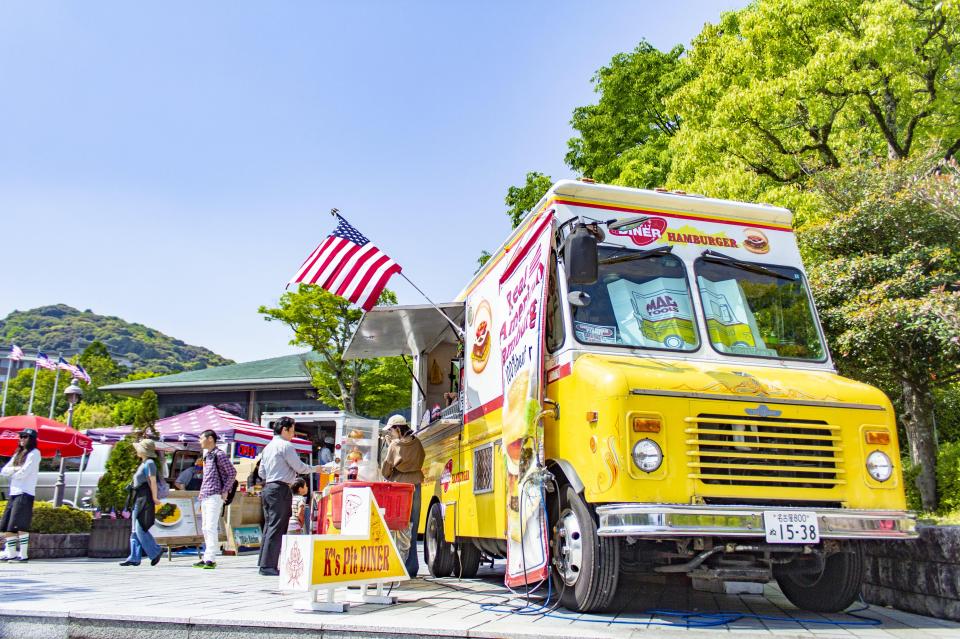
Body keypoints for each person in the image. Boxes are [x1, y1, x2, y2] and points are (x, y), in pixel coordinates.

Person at [257, 417, 323, 576]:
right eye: (292, 431)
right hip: (280, 488)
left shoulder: (268, 447)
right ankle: (268, 566)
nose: (293, 434)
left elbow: (261, 472)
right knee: (277, 526)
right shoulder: (286, 446)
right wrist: (316, 469)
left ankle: (264, 563)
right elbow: (299, 467)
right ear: (284, 430)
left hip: (268, 488)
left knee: (269, 525)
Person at [380, 415, 424, 577]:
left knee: (398, 527)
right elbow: (422, 458)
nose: (390, 433)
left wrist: (389, 446)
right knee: (413, 525)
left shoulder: (394, 445)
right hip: (416, 485)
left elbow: (385, 470)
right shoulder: (417, 442)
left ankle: (398, 565)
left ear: (397, 429)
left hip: (399, 488)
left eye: (391, 430)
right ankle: (412, 567)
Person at [193, 430, 236, 569]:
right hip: (206, 495)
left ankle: (210, 558)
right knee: (205, 527)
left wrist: (225, 490)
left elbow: (232, 472)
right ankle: (207, 556)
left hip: (215, 495)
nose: (200, 441)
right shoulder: (208, 455)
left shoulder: (219, 454)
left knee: (210, 526)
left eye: (201, 438)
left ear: (210, 439)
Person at [120, 439, 166, 567]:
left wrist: (154, 497)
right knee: (135, 529)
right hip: (138, 497)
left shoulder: (150, 463)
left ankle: (155, 550)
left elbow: (153, 482)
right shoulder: (144, 463)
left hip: (145, 498)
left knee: (140, 528)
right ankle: (134, 557)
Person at [0, 429, 41, 562]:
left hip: (25, 492)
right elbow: (4, 470)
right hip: (13, 492)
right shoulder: (18, 453)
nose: (22, 439)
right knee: (8, 525)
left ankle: (23, 554)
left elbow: (25, 472)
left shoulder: (34, 453)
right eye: (21, 436)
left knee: (20, 525)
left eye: (25, 437)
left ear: (32, 439)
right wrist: (16, 469)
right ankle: (11, 553)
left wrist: (13, 472)